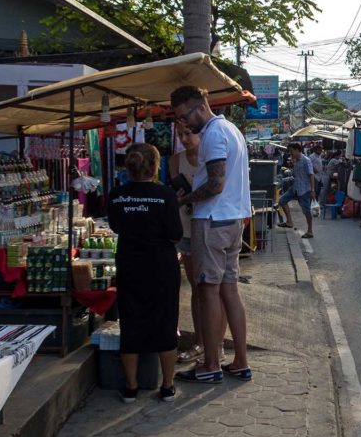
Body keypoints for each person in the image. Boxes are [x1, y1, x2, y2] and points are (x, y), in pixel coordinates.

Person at [170, 86, 253, 384]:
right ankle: (240, 361)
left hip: (213, 221)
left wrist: (183, 199)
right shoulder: (231, 130)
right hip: (231, 220)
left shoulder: (214, 134)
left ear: (199, 107)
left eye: (184, 117)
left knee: (207, 292)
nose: (184, 124)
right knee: (229, 290)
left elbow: (215, 183)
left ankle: (211, 364)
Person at [107, 143, 183, 403]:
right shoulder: (166, 195)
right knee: (166, 322)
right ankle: (168, 385)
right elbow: (175, 234)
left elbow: (116, 227)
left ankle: (131, 387)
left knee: (131, 323)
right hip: (162, 266)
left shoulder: (116, 195)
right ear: (154, 166)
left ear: (129, 167)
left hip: (130, 265)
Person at [170, 123, 206, 365]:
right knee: (196, 288)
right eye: (180, 134)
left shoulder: (211, 158)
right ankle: (200, 343)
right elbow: (174, 195)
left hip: (208, 228)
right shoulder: (176, 160)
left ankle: (208, 343)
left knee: (212, 288)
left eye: (188, 134)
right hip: (185, 229)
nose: (184, 138)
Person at [277, 142, 315, 239]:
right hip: (295, 188)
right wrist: (292, 165)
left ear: (298, 150)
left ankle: (310, 231)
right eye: (290, 152)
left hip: (304, 190)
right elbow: (295, 175)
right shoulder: (296, 161)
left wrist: (312, 190)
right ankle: (289, 222)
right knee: (282, 201)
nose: (290, 154)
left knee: (306, 211)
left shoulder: (306, 160)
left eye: (292, 151)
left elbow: (311, 175)